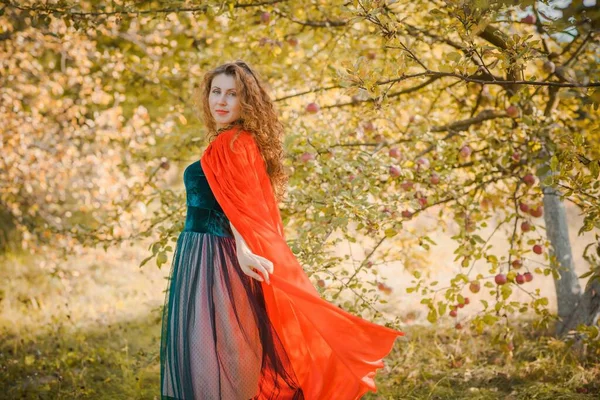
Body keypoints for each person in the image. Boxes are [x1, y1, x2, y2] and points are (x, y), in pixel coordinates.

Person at [160, 60, 404, 400]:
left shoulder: (235, 142)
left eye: (232, 94)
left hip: (220, 254)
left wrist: (244, 250)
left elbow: (240, 207)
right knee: (209, 346)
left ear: (247, 101)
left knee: (226, 348)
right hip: (200, 254)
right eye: (216, 92)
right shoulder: (228, 141)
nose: (222, 101)